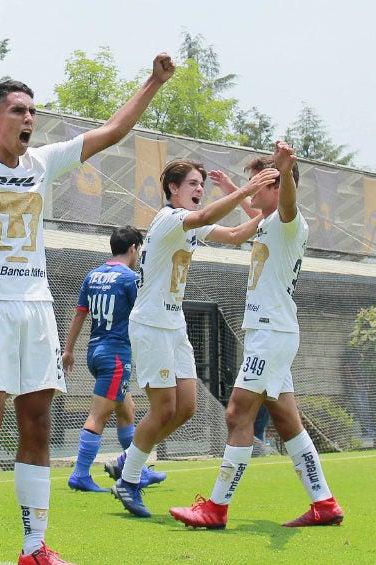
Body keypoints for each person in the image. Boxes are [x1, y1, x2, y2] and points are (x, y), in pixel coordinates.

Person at [0, 7, 175, 564]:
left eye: (32, 111)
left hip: (35, 304)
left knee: (36, 422)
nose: (28, 119)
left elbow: (111, 132)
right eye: (17, 111)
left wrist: (153, 82)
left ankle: (34, 547)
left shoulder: (43, 163)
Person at [170, 141, 345, 529]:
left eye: (259, 182)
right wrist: (232, 184)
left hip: (271, 334)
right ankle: (324, 502)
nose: (252, 189)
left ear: (277, 185)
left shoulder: (289, 219)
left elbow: (286, 204)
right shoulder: (267, 221)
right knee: (287, 422)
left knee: (236, 414)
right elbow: (254, 209)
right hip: (270, 333)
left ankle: (215, 508)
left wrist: (283, 170)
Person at [107, 159, 275, 518]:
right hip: (151, 325)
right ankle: (128, 479)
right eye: (193, 184)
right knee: (164, 408)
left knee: (186, 408)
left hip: (174, 325)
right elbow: (201, 219)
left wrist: (271, 212)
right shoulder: (170, 219)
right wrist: (245, 190)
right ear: (173, 189)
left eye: (202, 185)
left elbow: (233, 236)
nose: (200, 190)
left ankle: (127, 460)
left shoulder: (189, 224)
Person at [61, 226, 166, 493]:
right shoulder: (130, 279)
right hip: (116, 354)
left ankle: (137, 469)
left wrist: (69, 349)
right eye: (139, 250)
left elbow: (79, 314)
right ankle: (80, 473)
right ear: (133, 249)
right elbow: (144, 315)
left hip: (94, 351)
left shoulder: (92, 275)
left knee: (126, 409)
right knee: (99, 415)